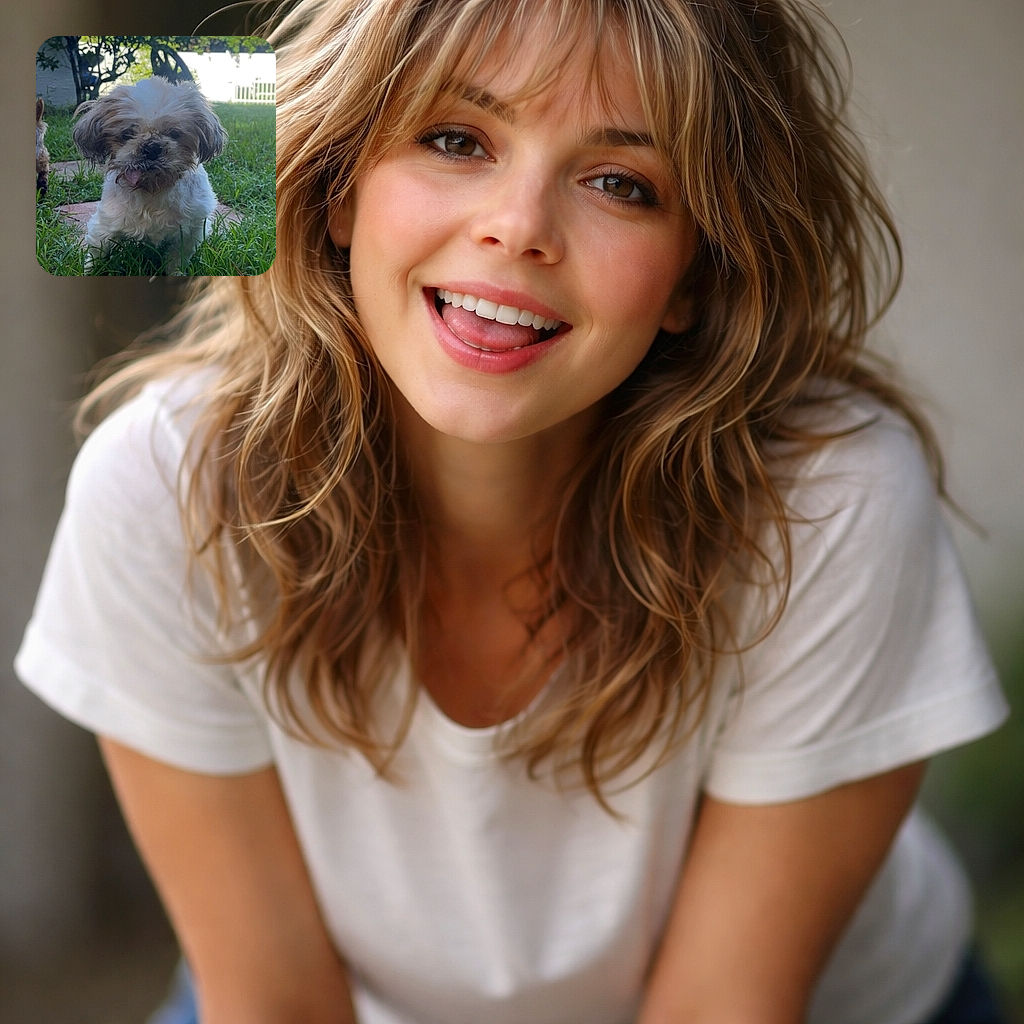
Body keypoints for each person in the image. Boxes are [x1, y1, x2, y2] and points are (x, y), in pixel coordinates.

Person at [15, 1, 1010, 1022]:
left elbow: (723, 1005)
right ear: (337, 190)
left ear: (695, 272)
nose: (519, 226)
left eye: (621, 183)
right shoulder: (163, 480)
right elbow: (274, 1002)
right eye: (455, 139)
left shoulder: (828, 497)